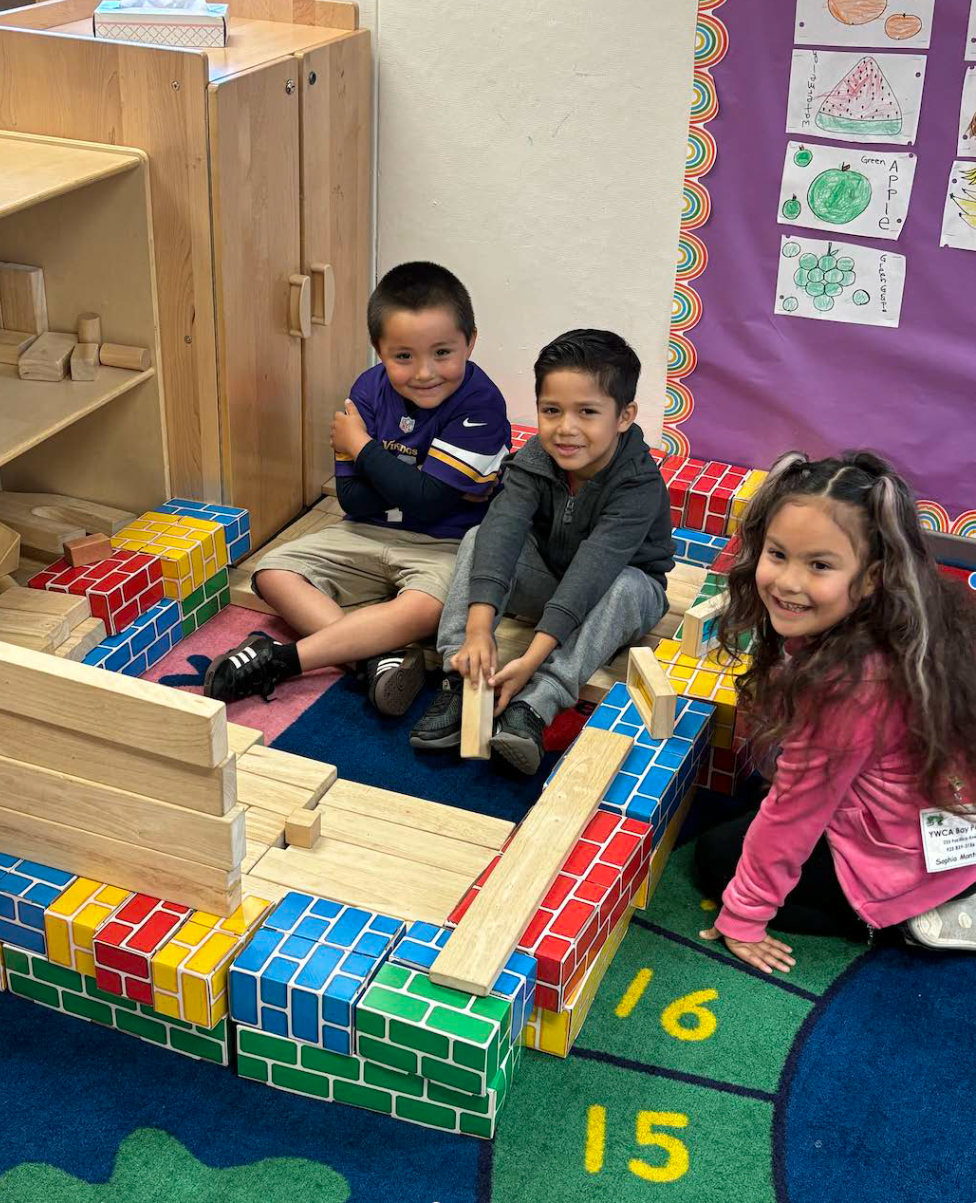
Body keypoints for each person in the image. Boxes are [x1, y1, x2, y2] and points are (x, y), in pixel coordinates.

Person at [695, 451, 976, 972]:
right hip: (937, 817)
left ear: (871, 577)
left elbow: (795, 812)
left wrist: (745, 915)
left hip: (908, 855)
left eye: (819, 565)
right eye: (777, 554)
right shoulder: (905, 614)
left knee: (715, 858)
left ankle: (907, 916)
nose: (787, 582)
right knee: (747, 811)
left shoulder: (848, 686)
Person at [203, 261, 511, 715]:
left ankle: (285, 660)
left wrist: (364, 448)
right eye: (403, 356)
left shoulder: (483, 403)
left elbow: (428, 505)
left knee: (428, 611)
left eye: (443, 353)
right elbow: (354, 498)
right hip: (364, 532)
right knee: (271, 573)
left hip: (447, 544)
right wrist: (421, 479)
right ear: (379, 350)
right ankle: (374, 658)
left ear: (471, 342)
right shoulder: (366, 391)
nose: (425, 372)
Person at [410, 328, 674, 774]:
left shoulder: (638, 483)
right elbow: (504, 528)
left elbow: (594, 570)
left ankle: (534, 706)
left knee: (629, 585)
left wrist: (531, 661)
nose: (566, 428)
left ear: (624, 416)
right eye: (551, 410)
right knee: (480, 538)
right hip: (547, 579)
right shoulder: (536, 456)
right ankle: (461, 674)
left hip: (612, 595)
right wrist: (478, 630)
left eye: (587, 412)